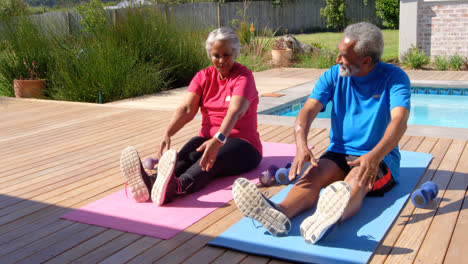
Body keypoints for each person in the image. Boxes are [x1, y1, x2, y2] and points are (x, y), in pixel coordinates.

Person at [233, 22, 411, 244]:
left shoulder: (394, 78)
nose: (337, 60)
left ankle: (329, 219)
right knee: (314, 175)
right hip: (339, 152)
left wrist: (375, 155)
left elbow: (399, 120)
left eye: (343, 56)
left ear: (365, 61)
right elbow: (307, 111)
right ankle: (280, 211)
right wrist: (301, 145)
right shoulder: (334, 75)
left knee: (355, 180)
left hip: (377, 156)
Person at [120, 27, 262, 206]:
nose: (221, 60)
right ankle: (151, 182)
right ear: (210, 54)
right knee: (190, 151)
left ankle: (178, 187)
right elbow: (187, 109)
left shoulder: (243, 77)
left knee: (213, 157)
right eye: (216, 55)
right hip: (208, 139)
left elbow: (235, 111)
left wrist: (218, 140)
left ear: (235, 53)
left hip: (244, 146)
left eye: (226, 55)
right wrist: (168, 133)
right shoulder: (203, 77)